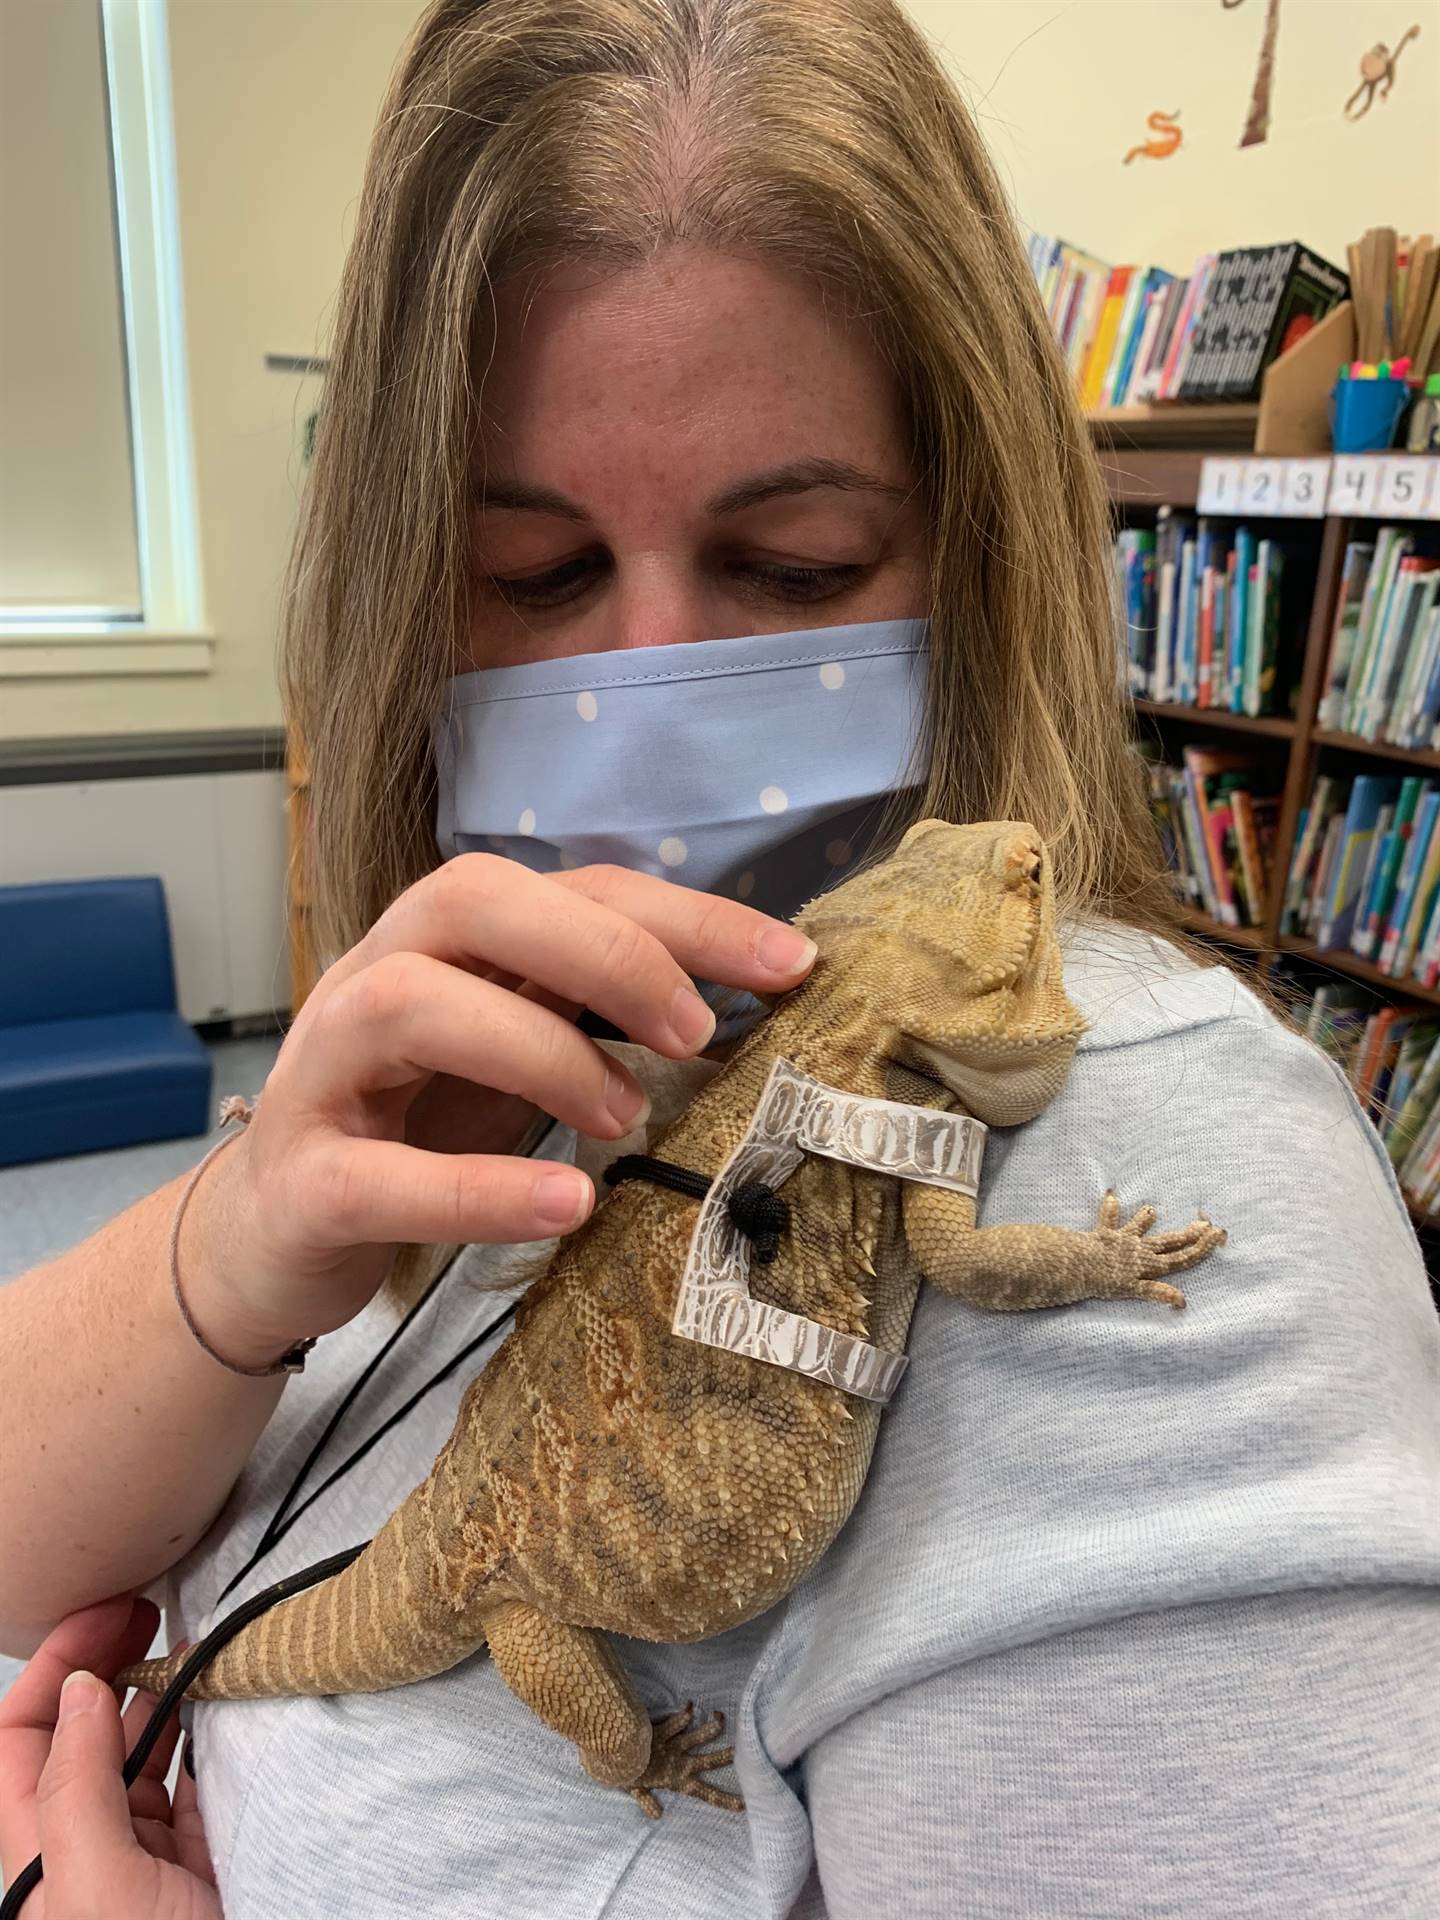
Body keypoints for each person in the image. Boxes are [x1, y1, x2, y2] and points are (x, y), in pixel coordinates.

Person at [2, 0, 1438, 1913]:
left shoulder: (1164, 1155)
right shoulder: (498, 1033)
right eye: (528, 573)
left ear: (978, 549)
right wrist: (241, 1226)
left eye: (795, 569)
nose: (643, 684)